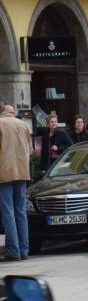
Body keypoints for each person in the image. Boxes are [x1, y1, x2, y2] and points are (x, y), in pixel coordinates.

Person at [0, 104, 32, 261]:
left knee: (8, 212)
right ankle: (24, 250)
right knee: (21, 211)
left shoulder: (0, 124)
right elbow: (31, 149)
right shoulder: (23, 125)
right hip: (22, 171)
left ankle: (13, 251)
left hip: (4, 172)